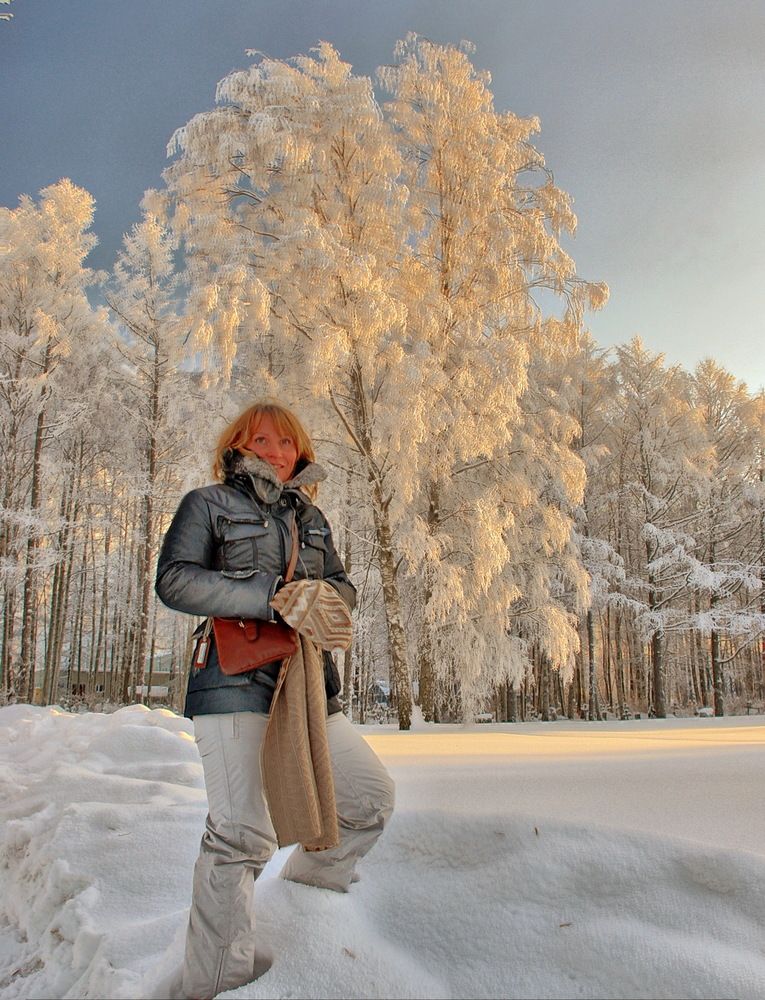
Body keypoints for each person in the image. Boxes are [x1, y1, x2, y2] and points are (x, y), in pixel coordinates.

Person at [155, 400, 395, 1000]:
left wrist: (322, 596)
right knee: (240, 836)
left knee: (367, 798)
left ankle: (304, 907)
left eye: (286, 443)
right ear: (238, 444)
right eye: (262, 440)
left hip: (306, 684)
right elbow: (175, 580)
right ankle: (215, 983)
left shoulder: (312, 517)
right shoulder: (207, 505)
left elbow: (345, 586)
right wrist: (271, 596)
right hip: (233, 682)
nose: (275, 452)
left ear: (300, 452)